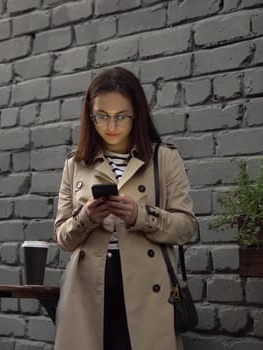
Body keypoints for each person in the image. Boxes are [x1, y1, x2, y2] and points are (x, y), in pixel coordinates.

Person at [53, 67, 198, 350]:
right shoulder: (76, 164)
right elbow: (62, 237)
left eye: (121, 116)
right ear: (90, 115)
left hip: (147, 289)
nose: (111, 125)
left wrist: (140, 216)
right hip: (88, 290)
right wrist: (86, 218)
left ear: (137, 114)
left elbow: (186, 227)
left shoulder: (164, 158)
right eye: (102, 116)